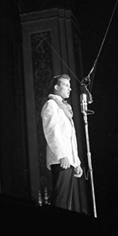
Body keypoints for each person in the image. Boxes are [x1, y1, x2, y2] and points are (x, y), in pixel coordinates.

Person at [41, 74, 83, 211]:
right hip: (61, 160)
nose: (69, 89)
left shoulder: (64, 108)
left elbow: (70, 138)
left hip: (68, 160)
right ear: (56, 87)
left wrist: (76, 162)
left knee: (65, 203)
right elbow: (51, 132)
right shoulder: (51, 105)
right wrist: (62, 155)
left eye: (69, 86)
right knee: (61, 202)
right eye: (66, 85)